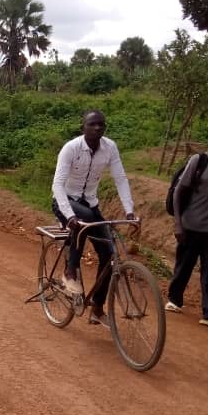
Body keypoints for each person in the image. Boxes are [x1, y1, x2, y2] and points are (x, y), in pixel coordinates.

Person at [50, 110, 137, 325]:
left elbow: (120, 179)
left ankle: (97, 307)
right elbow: (57, 185)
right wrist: (69, 216)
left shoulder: (110, 148)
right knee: (84, 219)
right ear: (84, 128)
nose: (97, 128)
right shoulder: (71, 148)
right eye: (92, 124)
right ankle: (70, 271)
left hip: (90, 203)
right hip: (65, 202)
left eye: (101, 124)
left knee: (109, 253)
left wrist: (130, 211)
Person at [166, 129, 208, 329]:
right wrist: (178, 222)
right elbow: (179, 191)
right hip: (191, 224)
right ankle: (175, 299)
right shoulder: (198, 161)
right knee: (184, 265)